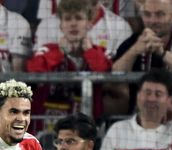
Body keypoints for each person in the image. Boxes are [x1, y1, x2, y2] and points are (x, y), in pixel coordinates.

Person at [26, 0, 112, 133]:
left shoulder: (100, 52)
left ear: (89, 24)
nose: (73, 24)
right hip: (47, 129)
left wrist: (89, 52)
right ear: (61, 25)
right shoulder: (48, 50)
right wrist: (59, 53)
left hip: (87, 128)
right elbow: (34, 70)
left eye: (78, 18)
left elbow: (105, 71)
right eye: (67, 19)